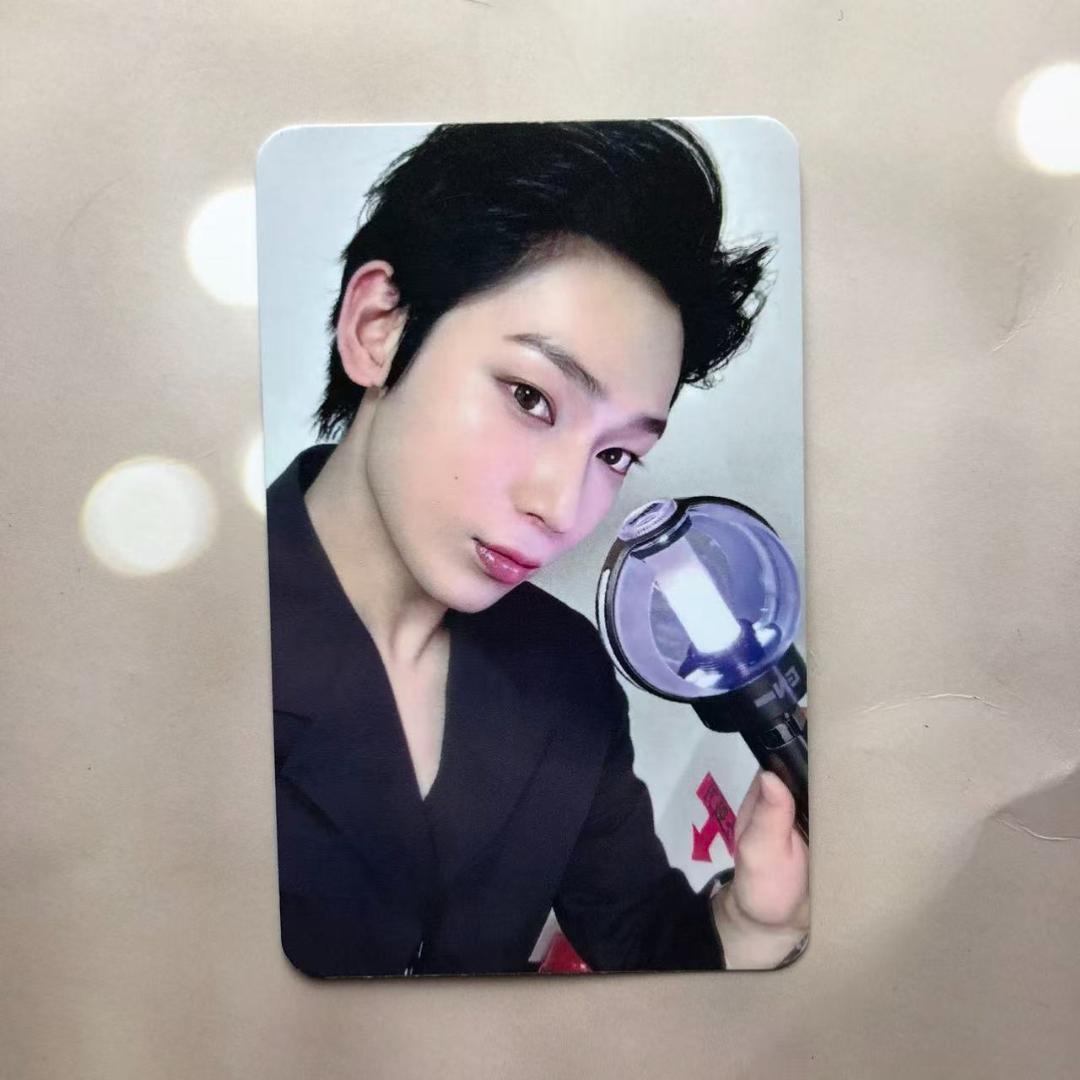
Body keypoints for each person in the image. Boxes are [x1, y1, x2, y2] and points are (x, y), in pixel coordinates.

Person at [267, 120, 809, 977]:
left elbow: (646, 947)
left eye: (617, 455)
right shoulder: (173, 643)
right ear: (378, 327)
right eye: (530, 397)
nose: (564, 509)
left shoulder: (567, 674)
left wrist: (751, 921)